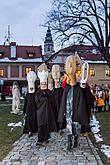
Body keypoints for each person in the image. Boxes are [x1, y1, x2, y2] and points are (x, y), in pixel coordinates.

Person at [57, 53, 89, 150]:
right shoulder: (66, 88)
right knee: (69, 128)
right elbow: (63, 100)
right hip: (68, 112)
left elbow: (83, 100)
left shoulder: (79, 89)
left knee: (76, 127)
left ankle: (76, 139)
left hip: (76, 111)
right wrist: (62, 111)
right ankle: (69, 143)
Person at [35, 63, 57, 145]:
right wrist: (45, 99)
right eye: (42, 84)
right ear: (40, 85)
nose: (43, 85)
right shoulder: (38, 93)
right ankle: (40, 140)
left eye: (44, 84)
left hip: (48, 112)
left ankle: (46, 138)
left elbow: (52, 99)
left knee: (47, 125)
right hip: (40, 112)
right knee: (41, 126)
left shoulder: (48, 92)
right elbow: (37, 100)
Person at [23, 71, 38, 137]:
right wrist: (25, 110)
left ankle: (34, 129)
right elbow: (26, 102)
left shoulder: (36, 93)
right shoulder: (28, 94)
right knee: (29, 119)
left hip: (34, 108)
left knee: (34, 118)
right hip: (29, 108)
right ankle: (29, 130)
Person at [51, 64, 64, 131]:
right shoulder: (53, 91)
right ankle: (56, 126)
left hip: (60, 106)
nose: (56, 83)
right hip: (55, 106)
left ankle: (61, 127)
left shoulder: (62, 90)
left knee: (61, 115)